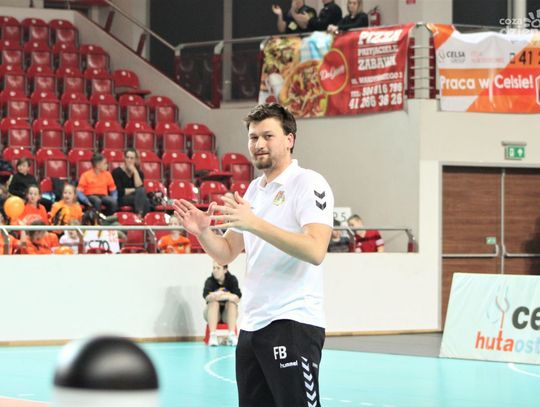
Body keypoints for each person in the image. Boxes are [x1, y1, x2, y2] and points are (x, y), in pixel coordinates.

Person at [173, 103, 334, 407]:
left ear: (289, 139)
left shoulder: (309, 183)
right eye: (253, 137)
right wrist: (203, 232)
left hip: (292, 322)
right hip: (252, 327)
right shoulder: (253, 191)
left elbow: (315, 250)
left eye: (268, 136)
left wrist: (254, 223)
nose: (259, 144)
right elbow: (226, 252)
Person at [203, 262, 242, 346]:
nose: (215, 270)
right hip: (212, 314)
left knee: (231, 304)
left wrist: (218, 295)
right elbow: (206, 297)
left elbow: (237, 298)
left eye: (218, 268)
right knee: (213, 303)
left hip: (226, 315)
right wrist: (228, 295)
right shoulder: (209, 281)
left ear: (225, 270)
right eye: (214, 268)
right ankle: (213, 336)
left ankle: (232, 335)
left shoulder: (232, 280)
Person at [112, 148, 150, 217]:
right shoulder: (116, 172)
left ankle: (139, 216)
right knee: (144, 199)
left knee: (145, 199)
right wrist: (135, 190)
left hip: (136, 197)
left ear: (135, 160)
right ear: (124, 158)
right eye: (127, 157)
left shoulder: (139, 173)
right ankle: (140, 217)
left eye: (132, 158)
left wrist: (135, 172)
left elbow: (140, 187)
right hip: (122, 198)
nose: (129, 160)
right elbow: (120, 191)